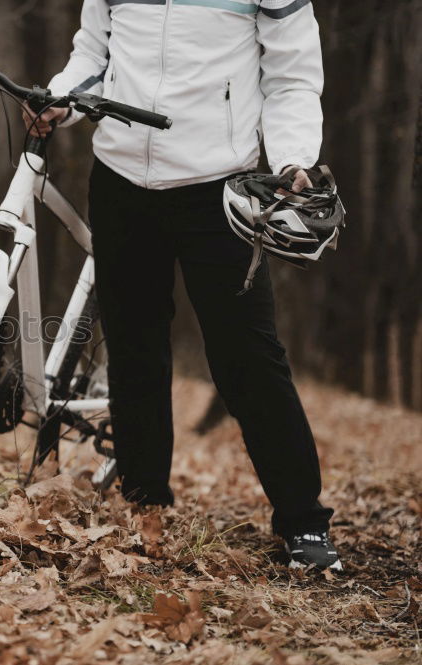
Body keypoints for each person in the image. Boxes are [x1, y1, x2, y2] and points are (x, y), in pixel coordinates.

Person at [27, 0, 340, 570]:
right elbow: (93, 53)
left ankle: (304, 523)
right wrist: (59, 101)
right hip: (120, 180)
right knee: (134, 348)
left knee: (247, 357)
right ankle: (144, 503)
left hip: (221, 188)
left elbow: (292, 76)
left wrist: (295, 158)